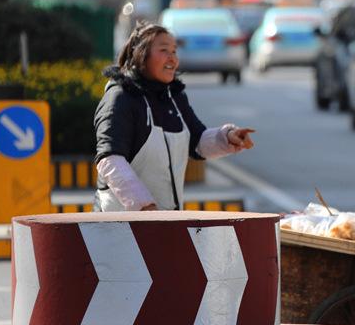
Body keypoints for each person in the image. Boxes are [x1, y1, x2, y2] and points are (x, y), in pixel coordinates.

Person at [94, 21, 255, 211]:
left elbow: (197, 141)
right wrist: (144, 207)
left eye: (174, 51)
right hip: (119, 226)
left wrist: (227, 137)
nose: (173, 59)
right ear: (141, 55)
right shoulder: (120, 98)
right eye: (164, 50)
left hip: (165, 222)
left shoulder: (174, 96)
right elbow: (110, 159)